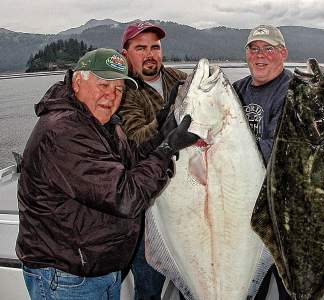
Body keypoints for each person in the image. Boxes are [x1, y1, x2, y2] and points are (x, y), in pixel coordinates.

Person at [15, 48, 199, 300]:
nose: (111, 96)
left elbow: (130, 159)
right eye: (103, 85)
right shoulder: (64, 131)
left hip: (97, 268)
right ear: (78, 81)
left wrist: (160, 136)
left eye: (119, 89)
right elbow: (125, 196)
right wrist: (166, 150)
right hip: (68, 277)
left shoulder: (99, 121)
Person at [118, 21, 188, 300]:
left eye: (155, 47)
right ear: (125, 54)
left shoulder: (179, 79)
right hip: (147, 210)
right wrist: (164, 124)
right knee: (150, 285)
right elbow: (135, 139)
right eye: (140, 48)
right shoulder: (121, 91)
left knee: (189, 275)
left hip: (185, 200)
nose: (150, 54)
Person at [233, 24, 293, 300]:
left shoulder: (294, 92)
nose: (260, 55)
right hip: (241, 209)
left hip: (283, 216)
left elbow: (280, 148)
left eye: (268, 49)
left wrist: (227, 153)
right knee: (247, 284)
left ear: (283, 54)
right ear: (246, 54)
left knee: (288, 289)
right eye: (254, 48)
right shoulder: (236, 90)